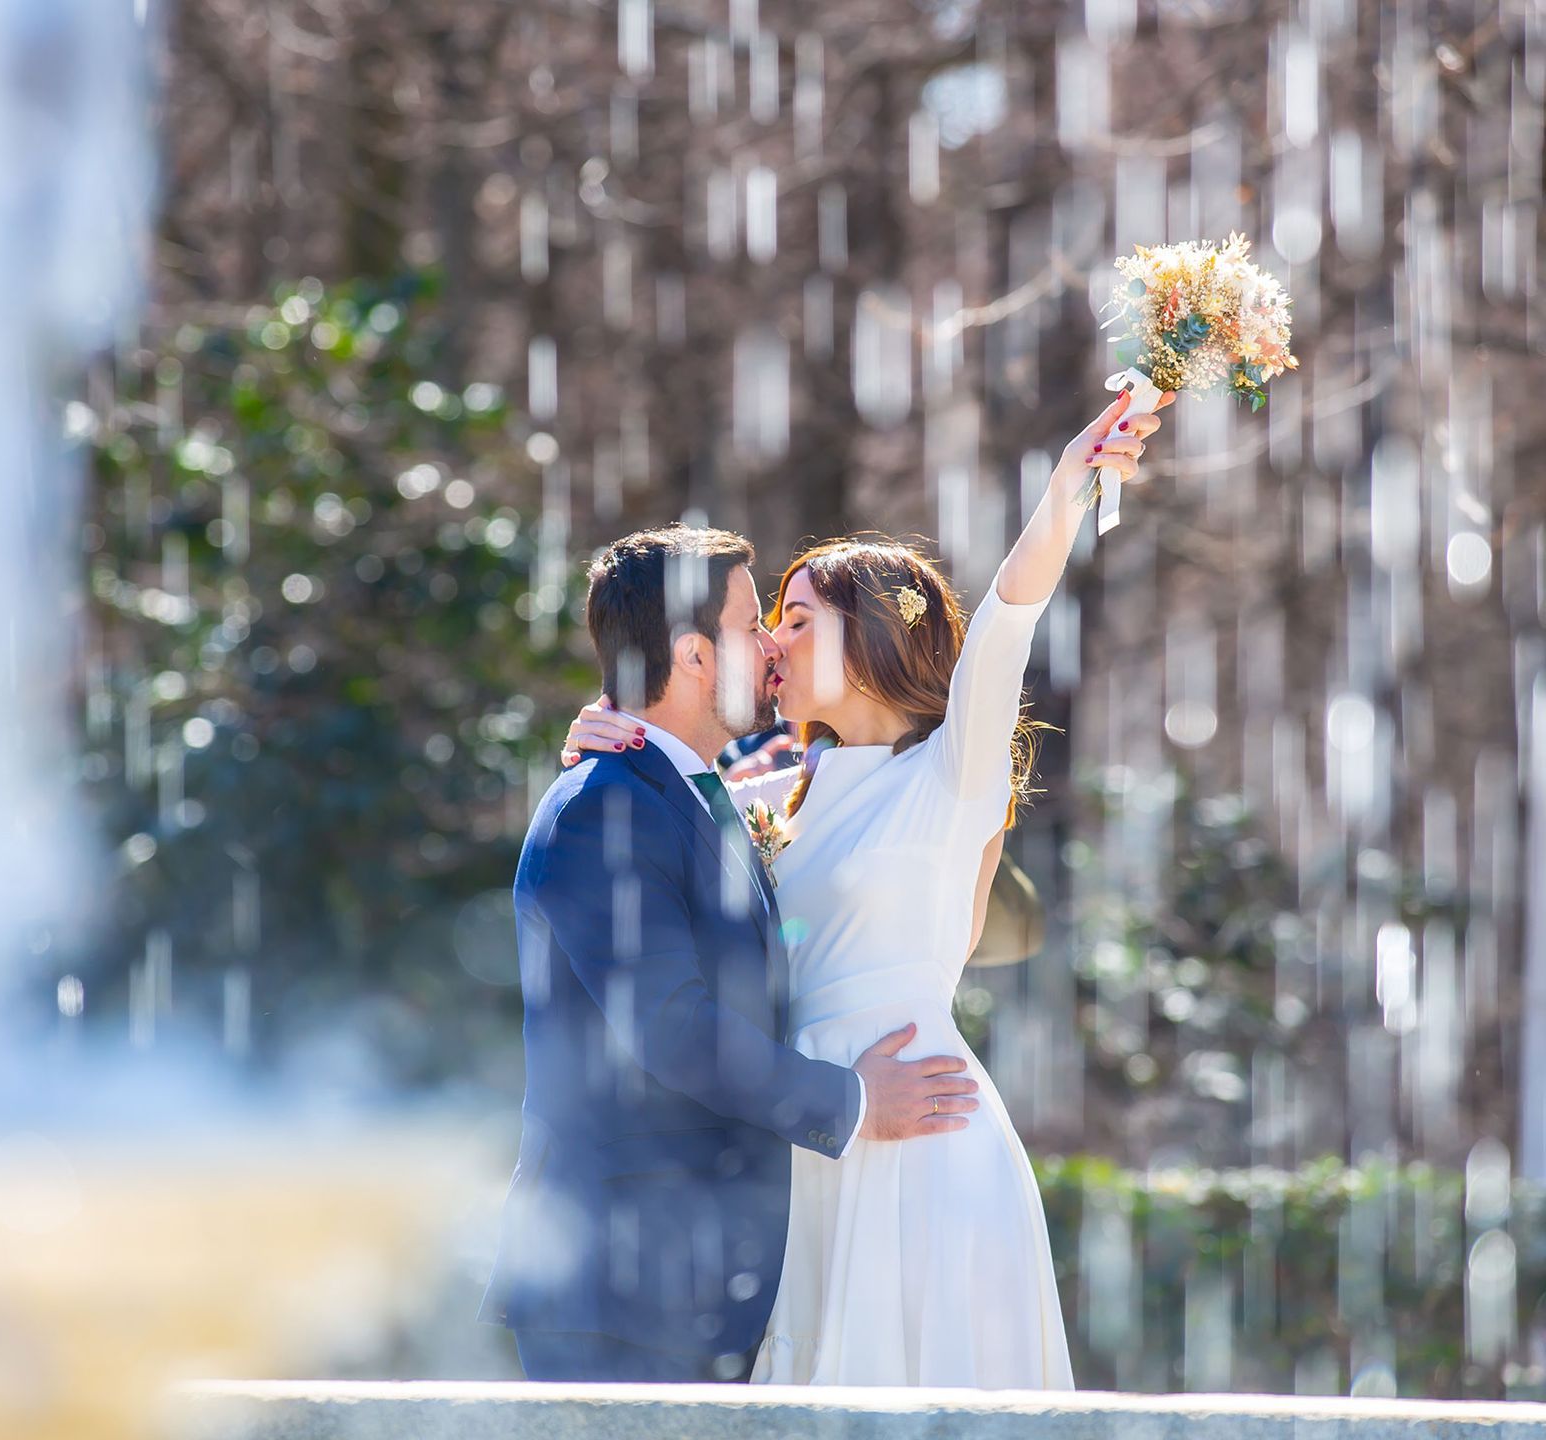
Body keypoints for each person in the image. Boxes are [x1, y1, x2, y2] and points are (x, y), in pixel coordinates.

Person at [558, 386, 1173, 1386]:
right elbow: (658, 806)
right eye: (767, 623)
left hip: (923, 1126)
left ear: (871, 634)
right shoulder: (768, 789)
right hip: (814, 1130)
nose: (770, 644)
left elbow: (1012, 615)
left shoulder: (950, 771)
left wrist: (1070, 482)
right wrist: (598, 741)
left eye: (795, 621)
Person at [478, 523, 981, 1383]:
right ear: (695, 656)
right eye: (754, 624)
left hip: (695, 1289)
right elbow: (672, 1029)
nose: (770, 647)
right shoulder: (607, 806)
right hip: (619, 1293)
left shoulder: (690, 796)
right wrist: (854, 1103)